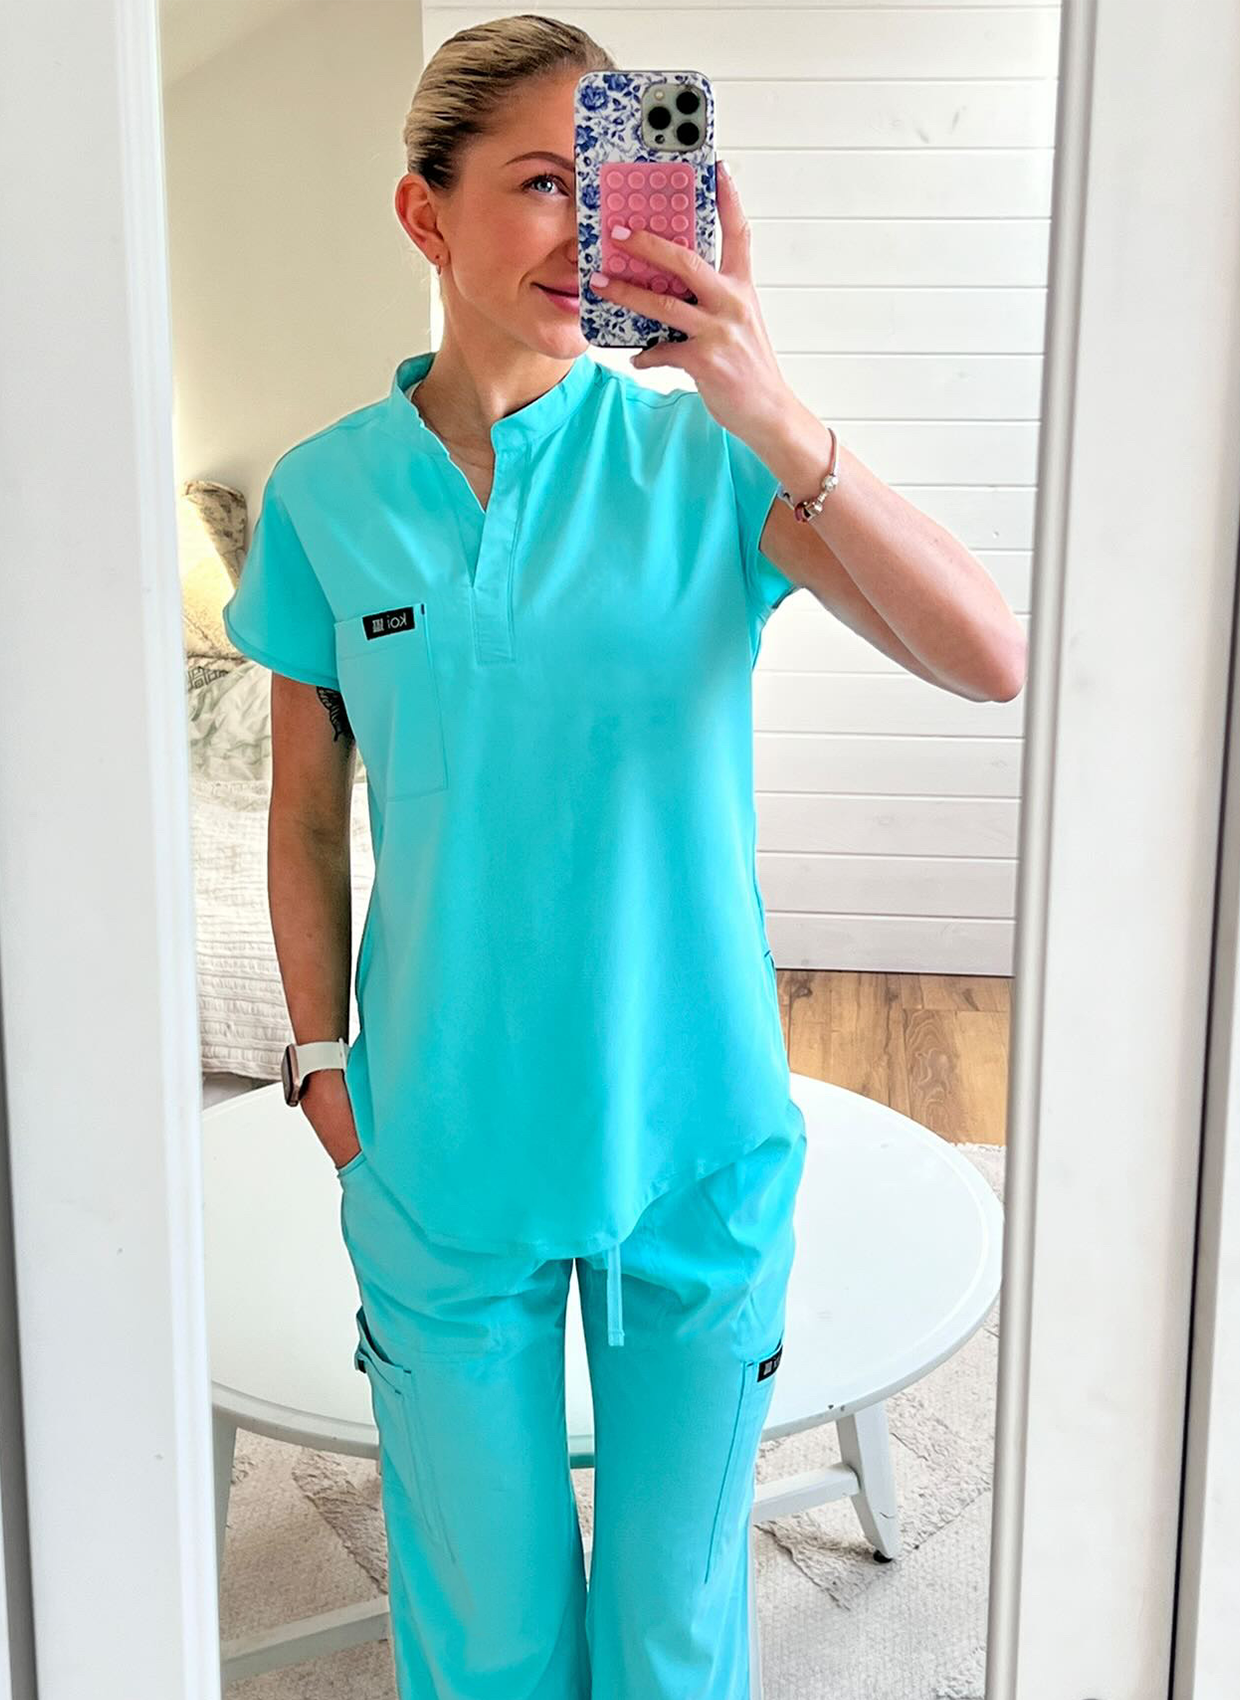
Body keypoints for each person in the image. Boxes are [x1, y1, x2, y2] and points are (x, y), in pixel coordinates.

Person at [222, 15, 812, 1697]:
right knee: (484, 1641)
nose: (585, 229)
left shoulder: (711, 456)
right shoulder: (325, 496)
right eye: (544, 183)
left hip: (692, 1136)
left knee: (671, 1639)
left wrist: (759, 390)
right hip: (442, 1141)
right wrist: (321, 1063)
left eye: (612, 185)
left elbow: (987, 654)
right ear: (426, 212)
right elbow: (306, 810)